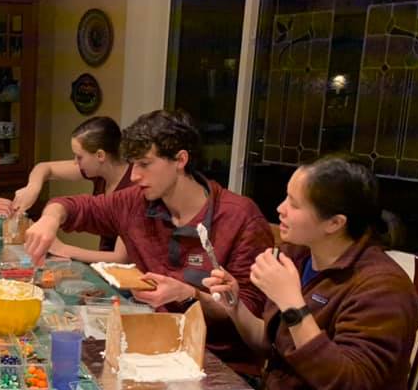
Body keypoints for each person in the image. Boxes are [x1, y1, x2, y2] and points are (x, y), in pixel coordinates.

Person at [204, 157, 418, 390]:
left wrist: (292, 304)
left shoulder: (382, 287)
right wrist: (235, 306)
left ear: (334, 222)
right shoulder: (300, 256)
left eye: (294, 203)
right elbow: (269, 343)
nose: (280, 208)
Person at [24, 109, 273, 370]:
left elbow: (249, 316)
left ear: (180, 160)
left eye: (144, 164)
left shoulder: (241, 218)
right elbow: (75, 206)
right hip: (151, 348)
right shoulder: (136, 202)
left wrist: (191, 294)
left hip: (219, 366)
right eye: (133, 165)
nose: (133, 177)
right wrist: (50, 219)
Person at [12, 116, 130, 263]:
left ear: (100, 155)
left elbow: (121, 258)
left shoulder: (132, 188)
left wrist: (61, 249)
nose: (75, 162)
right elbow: (44, 167)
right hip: (104, 269)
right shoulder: (100, 170)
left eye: (79, 157)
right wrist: (33, 188)